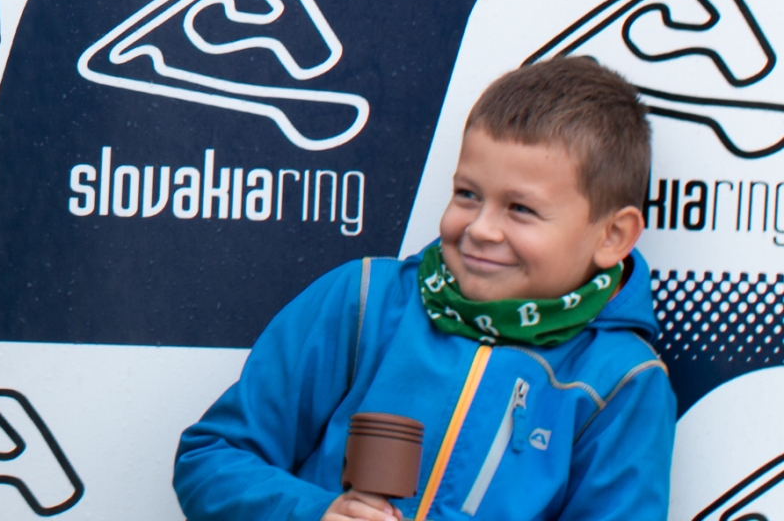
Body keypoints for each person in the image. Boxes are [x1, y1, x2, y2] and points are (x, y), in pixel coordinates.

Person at [173, 57, 673, 521]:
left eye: (520, 209)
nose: (480, 228)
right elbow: (213, 456)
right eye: (467, 194)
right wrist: (315, 513)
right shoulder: (364, 302)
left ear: (613, 236)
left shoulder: (622, 380)